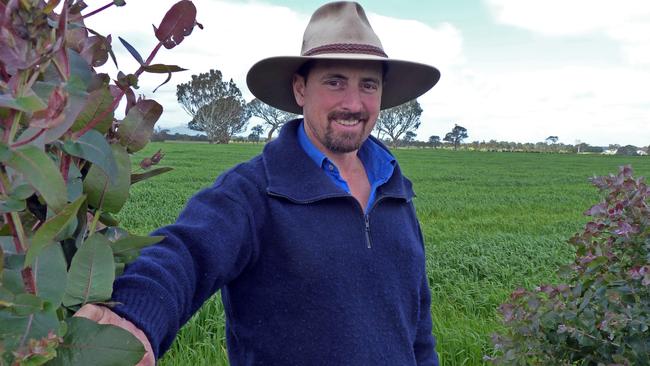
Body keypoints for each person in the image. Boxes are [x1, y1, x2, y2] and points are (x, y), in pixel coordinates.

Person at [77, 1, 442, 365]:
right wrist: (135, 316)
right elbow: (186, 252)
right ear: (301, 90)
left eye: (368, 85)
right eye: (335, 82)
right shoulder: (252, 192)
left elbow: (417, 324)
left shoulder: (394, 188)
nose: (353, 102)